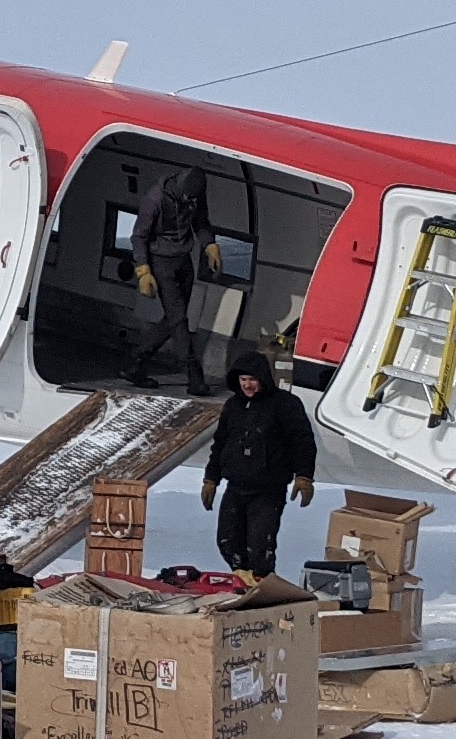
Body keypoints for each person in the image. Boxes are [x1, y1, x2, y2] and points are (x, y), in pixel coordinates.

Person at [197, 351, 321, 579]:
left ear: (263, 378)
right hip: (235, 487)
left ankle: (262, 584)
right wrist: (211, 479)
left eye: (252, 379)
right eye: (243, 380)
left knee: (260, 546)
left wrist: (304, 476)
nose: (247, 385)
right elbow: (220, 444)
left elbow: (302, 442)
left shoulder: (286, 404)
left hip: (268, 490)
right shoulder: (233, 406)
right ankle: (242, 581)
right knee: (228, 542)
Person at [133, 165, 211, 394]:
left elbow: (201, 221)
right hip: (160, 262)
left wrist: (209, 243)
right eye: (186, 196)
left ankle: (135, 364)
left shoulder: (195, 193)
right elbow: (139, 236)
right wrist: (143, 270)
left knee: (174, 318)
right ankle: (195, 378)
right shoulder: (154, 199)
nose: (190, 200)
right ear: (178, 186)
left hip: (184, 260)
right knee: (178, 320)